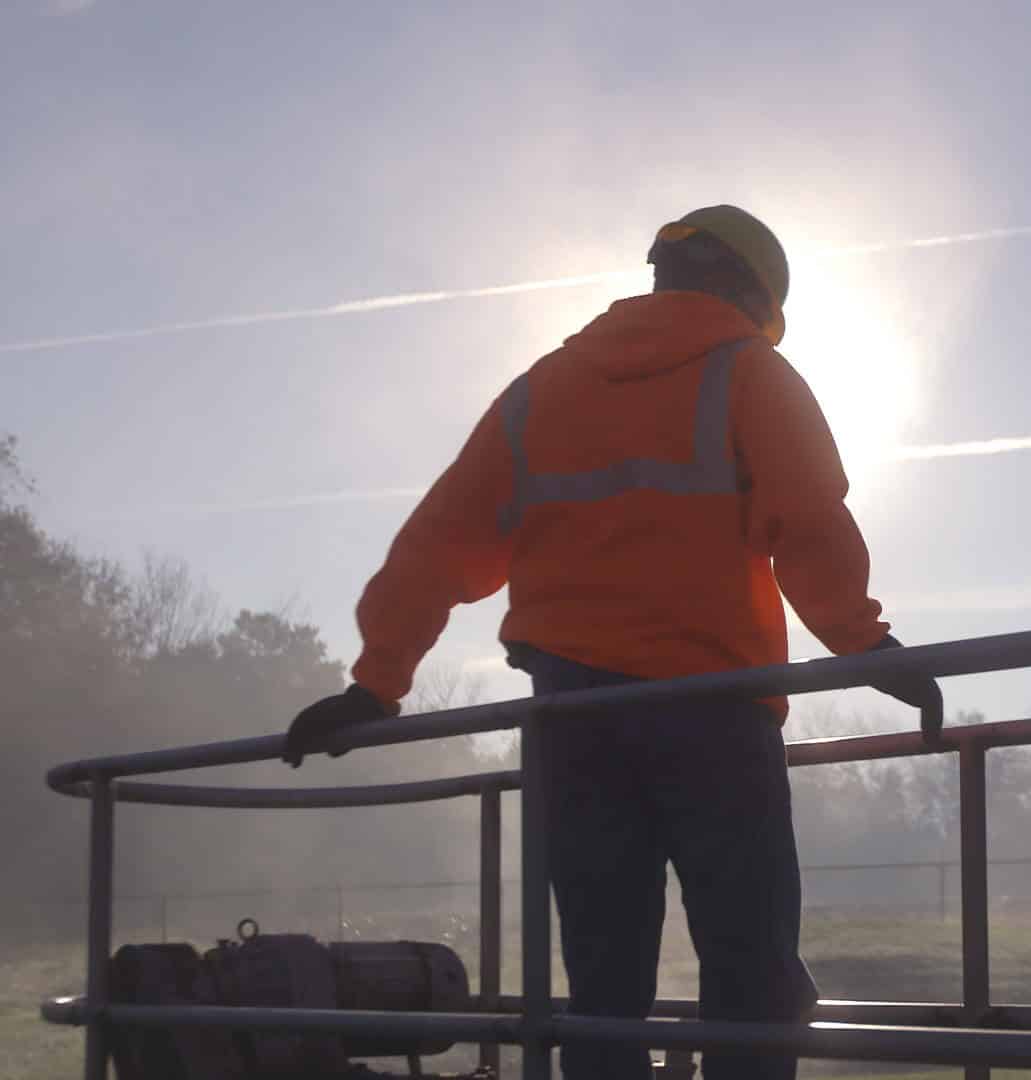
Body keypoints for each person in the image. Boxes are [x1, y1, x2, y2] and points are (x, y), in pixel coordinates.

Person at [282, 204, 940, 1080]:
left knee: (603, 985)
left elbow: (437, 541)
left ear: (662, 273)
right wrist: (866, 643)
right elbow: (810, 523)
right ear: (751, 294)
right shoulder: (750, 371)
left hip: (575, 719)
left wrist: (378, 680)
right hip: (713, 712)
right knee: (750, 970)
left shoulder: (542, 389)